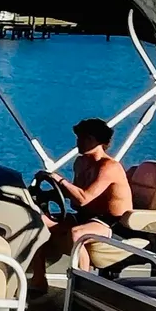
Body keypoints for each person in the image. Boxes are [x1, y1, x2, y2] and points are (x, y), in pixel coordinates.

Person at [29, 118, 133, 291]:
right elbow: (77, 202)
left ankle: (83, 287)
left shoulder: (109, 167)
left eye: (83, 138)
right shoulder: (81, 163)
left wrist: (59, 180)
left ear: (96, 141)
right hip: (87, 216)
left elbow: (84, 198)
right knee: (38, 222)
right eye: (78, 138)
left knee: (77, 234)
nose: (78, 143)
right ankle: (39, 281)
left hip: (114, 223)